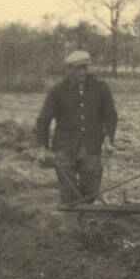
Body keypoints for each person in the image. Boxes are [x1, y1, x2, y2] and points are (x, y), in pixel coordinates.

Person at [35, 50, 118, 209]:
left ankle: (86, 222)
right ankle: (71, 227)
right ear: (69, 69)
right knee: (68, 192)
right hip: (64, 149)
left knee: (91, 190)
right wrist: (42, 147)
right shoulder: (58, 90)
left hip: (92, 147)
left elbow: (111, 115)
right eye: (77, 68)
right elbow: (43, 120)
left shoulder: (101, 88)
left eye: (85, 68)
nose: (82, 72)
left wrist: (109, 138)